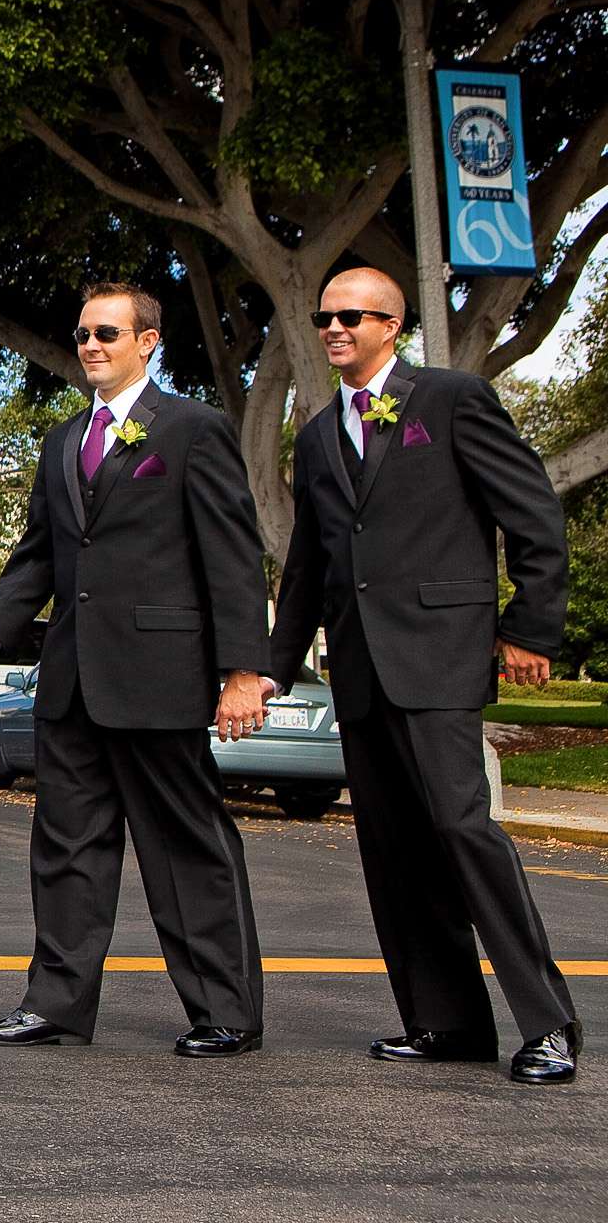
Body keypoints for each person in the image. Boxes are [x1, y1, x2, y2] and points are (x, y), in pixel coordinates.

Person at [266, 267, 578, 1084]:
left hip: (441, 656)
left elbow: (534, 516)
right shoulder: (316, 437)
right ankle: (444, 1022)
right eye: (325, 316)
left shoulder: (451, 400)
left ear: (392, 325)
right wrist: (267, 672)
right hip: (361, 671)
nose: (334, 328)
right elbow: (308, 571)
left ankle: (548, 1025)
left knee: (463, 830)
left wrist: (529, 628)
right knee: (395, 849)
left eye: (353, 316)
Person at [0, 284, 270, 1056]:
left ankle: (225, 1011)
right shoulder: (63, 441)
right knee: (65, 848)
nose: (90, 345)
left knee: (185, 848)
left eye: (107, 333)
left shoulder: (193, 429)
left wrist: (241, 672)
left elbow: (231, 556)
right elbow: (39, 556)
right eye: (83, 333)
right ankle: (54, 1004)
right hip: (72, 681)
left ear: (148, 341)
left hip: (160, 677)